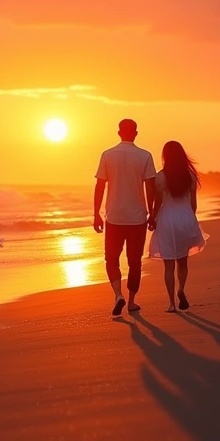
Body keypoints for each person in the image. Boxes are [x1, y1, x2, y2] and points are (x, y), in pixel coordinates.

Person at [94, 119, 157, 317]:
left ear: (118, 132)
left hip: (113, 217)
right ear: (136, 133)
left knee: (111, 259)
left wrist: (96, 213)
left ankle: (117, 295)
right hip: (137, 217)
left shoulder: (107, 155)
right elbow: (150, 187)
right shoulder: (145, 156)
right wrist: (152, 213)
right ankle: (130, 302)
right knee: (134, 261)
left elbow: (100, 186)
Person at [148, 140, 208, 313]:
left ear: (165, 156)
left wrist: (152, 218)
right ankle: (181, 289)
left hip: (167, 218)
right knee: (182, 260)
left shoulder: (160, 176)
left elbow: (157, 202)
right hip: (185, 216)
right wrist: (190, 219)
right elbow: (193, 203)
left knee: (168, 265)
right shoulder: (190, 176)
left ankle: (171, 304)